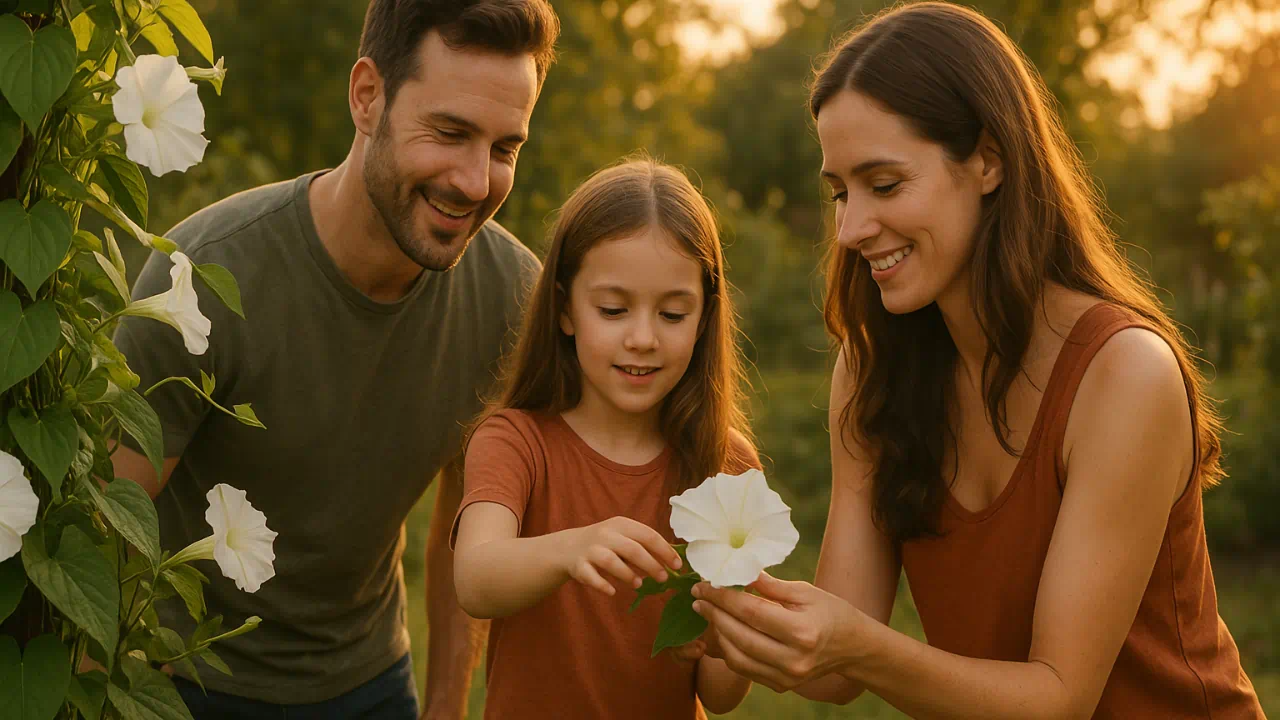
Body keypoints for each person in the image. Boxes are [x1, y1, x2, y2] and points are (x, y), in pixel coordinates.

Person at [685, 3, 1267, 718]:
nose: (852, 228)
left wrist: (857, 645)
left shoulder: (1123, 374)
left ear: (989, 160)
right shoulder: (872, 375)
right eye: (840, 192)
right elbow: (831, 673)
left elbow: (1058, 698)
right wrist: (719, 591)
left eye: (885, 184)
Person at [110, 1, 559, 717]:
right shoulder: (200, 278)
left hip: (373, 684)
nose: (475, 183)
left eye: (505, 148)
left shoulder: (512, 298)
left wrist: (445, 709)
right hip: (187, 682)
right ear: (367, 97)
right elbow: (111, 522)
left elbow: (469, 519)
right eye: (449, 133)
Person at [449, 158, 757, 719]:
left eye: (672, 313)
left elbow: (719, 693)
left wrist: (730, 631)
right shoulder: (515, 441)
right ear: (565, 309)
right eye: (613, 310)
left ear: (705, 318)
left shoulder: (726, 462)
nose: (642, 338)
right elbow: (475, 579)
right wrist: (571, 547)